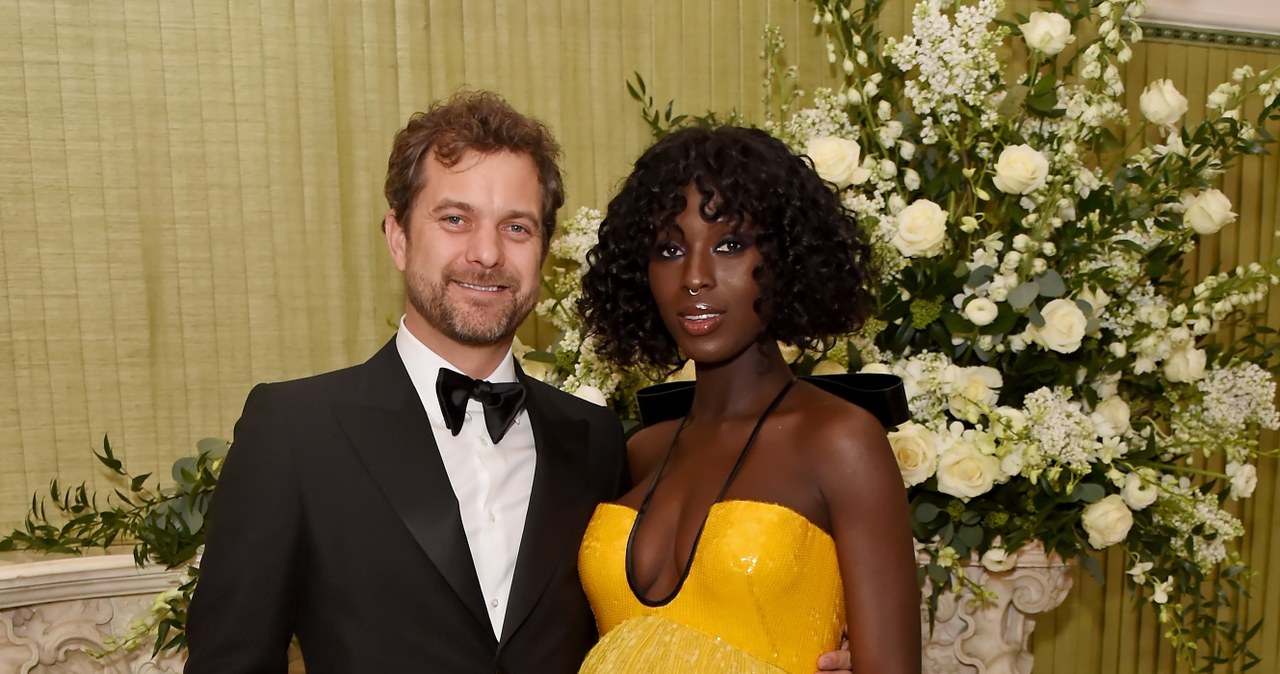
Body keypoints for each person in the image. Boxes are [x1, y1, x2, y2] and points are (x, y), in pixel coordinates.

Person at [185, 92, 858, 674]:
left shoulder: (595, 441)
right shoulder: (295, 430)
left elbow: (649, 630)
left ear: (544, 250)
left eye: (517, 227)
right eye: (455, 220)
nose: (486, 253)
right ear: (396, 237)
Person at [575, 126, 922, 673]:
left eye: (730, 245)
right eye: (669, 249)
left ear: (787, 259)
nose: (694, 277)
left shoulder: (840, 441)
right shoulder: (642, 451)